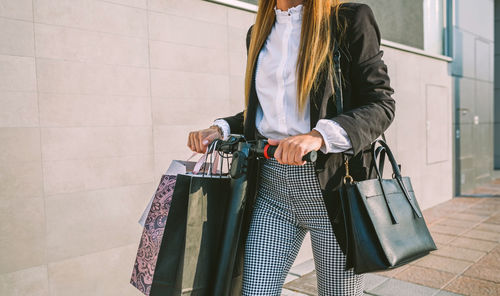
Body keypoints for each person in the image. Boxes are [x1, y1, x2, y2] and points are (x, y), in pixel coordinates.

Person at [187, 0, 395, 295]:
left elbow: (381, 104)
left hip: (334, 193)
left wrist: (318, 136)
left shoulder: (349, 19)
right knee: (255, 291)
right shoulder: (258, 32)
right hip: (272, 194)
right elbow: (268, 115)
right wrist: (221, 127)